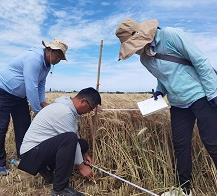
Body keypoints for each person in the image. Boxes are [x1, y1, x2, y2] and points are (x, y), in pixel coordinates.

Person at [115, 18, 217, 196]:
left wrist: (213, 93)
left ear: (139, 36)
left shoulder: (171, 36)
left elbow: (200, 62)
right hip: (177, 103)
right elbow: (163, 77)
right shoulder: (144, 60)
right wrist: (160, 91)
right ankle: (184, 189)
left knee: (212, 143)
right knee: (180, 145)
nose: (135, 51)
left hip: (201, 96)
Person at [0, 39, 68, 175]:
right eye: (58, 57)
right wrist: (38, 111)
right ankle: (0, 164)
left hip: (20, 98)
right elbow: (31, 86)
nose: (58, 61)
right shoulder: (34, 59)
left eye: (61, 58)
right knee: (1, 127)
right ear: (50, 50)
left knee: (24, 127)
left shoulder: (47, 65)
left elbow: (41, 85)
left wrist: (43, 103)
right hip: (3, 92)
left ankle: (23, 159)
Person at [18, 87, 101, 196]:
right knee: (70, 139)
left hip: (39, 150)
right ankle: (60, 190)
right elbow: (71, 139)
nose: (88, 112)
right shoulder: (64, 112)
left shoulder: (67, 108)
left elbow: (75, 136)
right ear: (83, 102)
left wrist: (84, 153)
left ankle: (49, 171)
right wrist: (81, 166)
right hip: (30, 155)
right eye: (90, 108)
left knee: (82, 143)